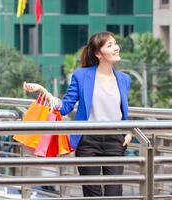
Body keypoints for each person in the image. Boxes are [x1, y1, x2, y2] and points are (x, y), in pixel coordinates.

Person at [23, 31, 132, 197]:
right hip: (88, 141)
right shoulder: (82, 76)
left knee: (115, 193)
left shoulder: (124, 79)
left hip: (115, 141)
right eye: (110, 45)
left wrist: (128, 130)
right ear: (98, 53)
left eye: (115, 43)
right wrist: (44, 92)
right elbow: (66, 106)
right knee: (92, 193)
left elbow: (121, 110)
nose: (116, 48)